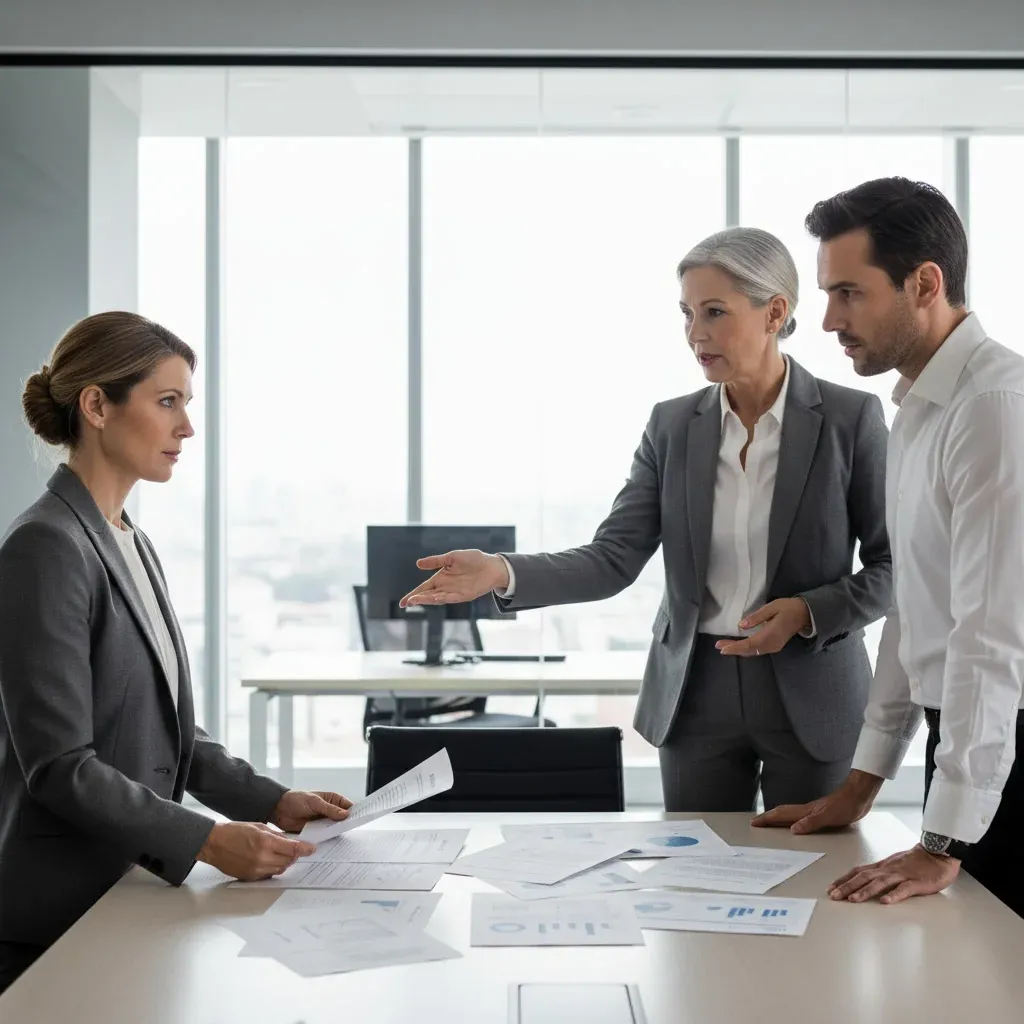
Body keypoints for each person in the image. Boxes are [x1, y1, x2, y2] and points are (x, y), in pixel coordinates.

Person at [401, 227, 892, 816]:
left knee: (815, 884)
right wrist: (500, 572)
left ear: (775, 313)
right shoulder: (673, 426)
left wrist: (809, 611)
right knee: (693, 881)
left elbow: (895, 567)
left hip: (812, 688)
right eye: (686, 314)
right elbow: (612, 559)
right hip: (694, 693)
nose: (696, 334)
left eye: (715, 312)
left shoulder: (849, 418)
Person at [0, 312, 352, 995]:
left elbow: (167, 732)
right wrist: (209, 840)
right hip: (59, 918)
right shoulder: (45, 547)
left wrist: (276, 801)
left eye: (186, 404)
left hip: (126, 894)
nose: (186, 427)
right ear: (97, 405)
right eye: (168, 402)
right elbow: (60, 767)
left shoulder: (127, 537)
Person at [753, 176, 1024, 920]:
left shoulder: (994, 408)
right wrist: (862, 783)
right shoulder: (918, 409)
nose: (828, 319)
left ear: (925, 283)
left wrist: (943, 840)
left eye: (849, 293)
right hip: (969, 728)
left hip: (1005, 732)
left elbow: (990, 637)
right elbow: (916, 609)